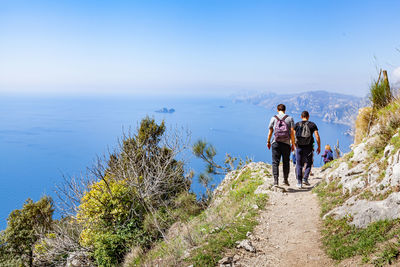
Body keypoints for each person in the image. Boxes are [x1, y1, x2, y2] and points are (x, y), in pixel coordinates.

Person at [267, 104, 295, 186]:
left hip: (276, 143)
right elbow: (292, 133)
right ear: (285, 110)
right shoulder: (290, 118)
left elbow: (270, 132)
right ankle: (285, 180)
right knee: (286, 162)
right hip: (286, 144)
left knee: (275, 162)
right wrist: (293, 144)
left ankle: (276, 181)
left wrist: (268, 141)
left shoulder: (273, 118)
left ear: (277, 110)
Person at [294, 111, 321, 188]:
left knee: (299, 164)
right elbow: (317, 136)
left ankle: (299, 182)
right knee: (309, 163)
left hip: (299, 147)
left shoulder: (297, 124)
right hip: (308, 147)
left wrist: (293, 145)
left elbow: (292, 135)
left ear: (301, 116)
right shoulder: (312, 124)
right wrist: (319, 146)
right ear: (308, 116)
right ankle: (305, 178)